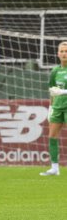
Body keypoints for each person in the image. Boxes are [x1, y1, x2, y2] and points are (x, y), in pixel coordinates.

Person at [40, 41, 67, 176]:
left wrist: (63, 92)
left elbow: (60, 91)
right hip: (57, 107)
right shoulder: (55, 70)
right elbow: (52, 90)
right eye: (62, 51)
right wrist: (50, 107)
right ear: (57, 53)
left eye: (66, 51)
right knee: (52, 136)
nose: (64, 54)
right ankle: (55, 168)